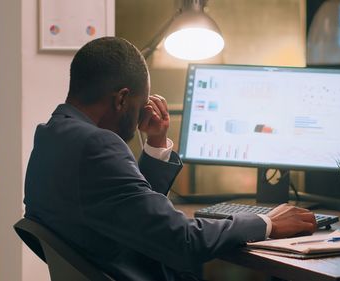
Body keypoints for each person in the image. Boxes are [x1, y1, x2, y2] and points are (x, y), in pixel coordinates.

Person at [24, 36, 317, 281]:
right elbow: (183, 241)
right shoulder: (97, 145)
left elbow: (128, 207)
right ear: (122, 99)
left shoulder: (52, 135)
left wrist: (156, 144)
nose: (142, 114)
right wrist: (265, 222)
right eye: (141, 104)